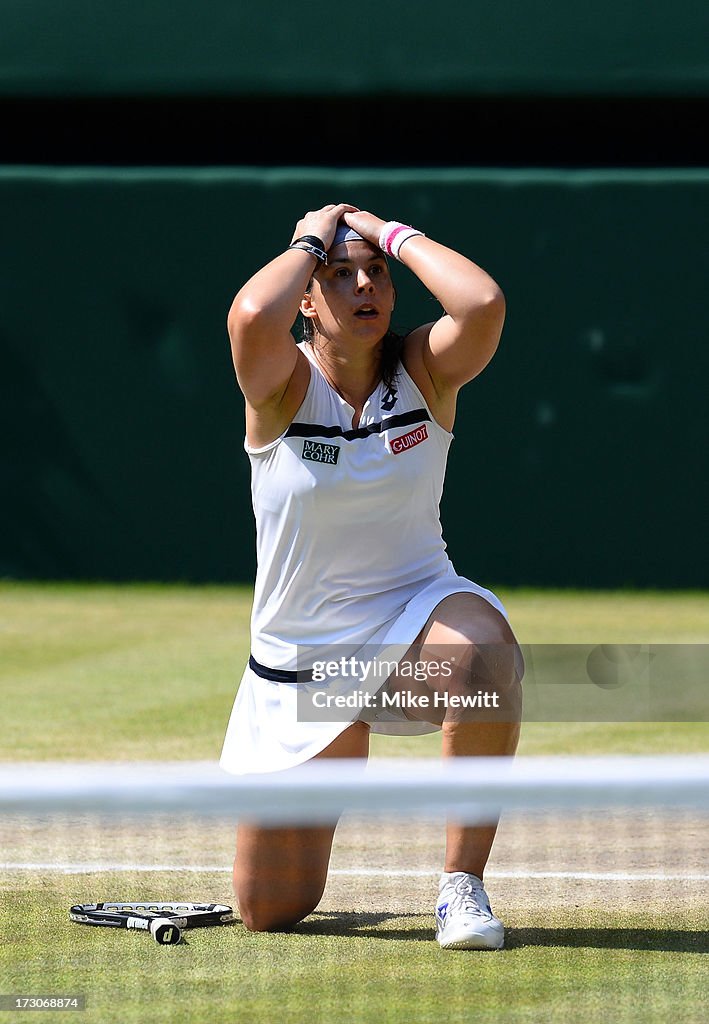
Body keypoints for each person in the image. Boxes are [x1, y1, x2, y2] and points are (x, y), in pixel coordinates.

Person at [220, 203, 523, 950]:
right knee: (272, 911)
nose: (364, 286)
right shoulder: (282, 384)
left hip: (410, 621)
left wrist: (389, 233)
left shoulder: (425, 369)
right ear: (308, 299)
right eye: (338, 275)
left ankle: (461, 886)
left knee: (483, 654)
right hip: (299, 666)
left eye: (375, 275)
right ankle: (336, 741)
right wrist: (308, 236)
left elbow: (480, 303)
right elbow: (253, 312)